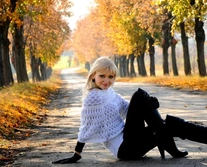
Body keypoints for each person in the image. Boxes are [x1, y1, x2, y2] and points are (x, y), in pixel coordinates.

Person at [52, 56, 207, 164]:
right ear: (93, 76)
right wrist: (76, 154)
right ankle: (167, 142)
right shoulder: (92, 98)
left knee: (170, 124)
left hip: (131, 140)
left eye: (111, 77)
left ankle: (170, 141)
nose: (107, 81)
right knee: (140, 95)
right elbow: (85, 127)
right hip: (125, 148)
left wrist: (150, 105)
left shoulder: (110, 93)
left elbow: (129, 109)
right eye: (102, 76)